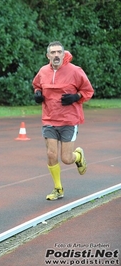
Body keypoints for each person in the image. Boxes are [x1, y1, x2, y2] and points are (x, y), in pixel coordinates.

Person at [32, 41, 94, 201]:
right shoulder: (43, 71)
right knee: (51, 154)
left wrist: (76, 96)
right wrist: (38, 94)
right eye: (53, 52)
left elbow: (88, 90)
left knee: (66, 159)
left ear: (64, 54)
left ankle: (78, 156)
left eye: (59, 52)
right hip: (49, 119)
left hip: (69, 120)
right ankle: (58, 188)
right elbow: (37, 85)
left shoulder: (75, 71)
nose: (56, 55)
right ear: (48, 56)